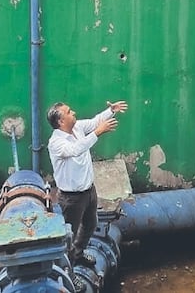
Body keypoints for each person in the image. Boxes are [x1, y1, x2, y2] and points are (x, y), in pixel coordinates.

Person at [47, 99, 128, 270]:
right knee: (68, 236)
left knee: (91, 224)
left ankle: (78, 254)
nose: (73, 112)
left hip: (89, 191)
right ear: (61, 121)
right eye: (69, 112)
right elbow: (76, 149)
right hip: (71, 198)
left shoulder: (77, 128)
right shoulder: (56, 143)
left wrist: (110, 111)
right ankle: (68, 272)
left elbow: (94, 121)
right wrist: (98, 133)